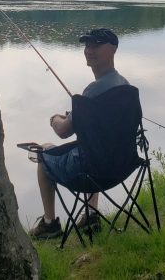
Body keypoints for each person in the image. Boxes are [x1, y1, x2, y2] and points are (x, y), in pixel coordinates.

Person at [28, 27, 129, 239]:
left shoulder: (93, 91)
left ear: (113, 49)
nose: (89, 50)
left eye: (96, 45)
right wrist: (76, 114)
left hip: (93, 171)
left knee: (43, 152)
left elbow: (63, 132)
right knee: (94, 149)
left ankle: (49, 224)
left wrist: (55, 119)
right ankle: (91, 216)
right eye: (87, 45)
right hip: (121, 166)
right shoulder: (125, 87)